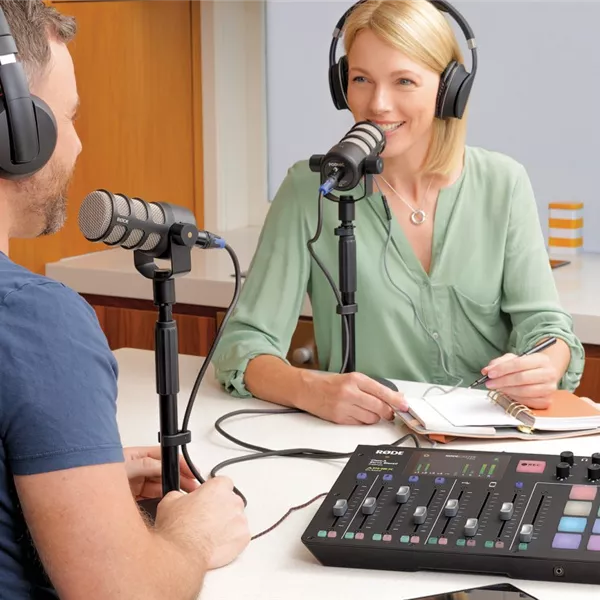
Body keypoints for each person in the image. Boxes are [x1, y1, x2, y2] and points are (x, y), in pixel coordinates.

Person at [212, 0, 584, 425]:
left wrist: (545, 365)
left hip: (492, 436)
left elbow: (546, 327)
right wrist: (309, 388)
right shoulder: (310, 188)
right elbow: (243, 345)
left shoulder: (503, 183)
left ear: (448, 90)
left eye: (404, 81)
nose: (378, 104)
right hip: (365, 438)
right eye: (361, 79)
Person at [0, 1, 249, 598]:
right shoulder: (36, 320)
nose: (79, 143)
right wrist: (195, 532)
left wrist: (83, 479)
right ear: (19, 133)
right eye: (68, 116)